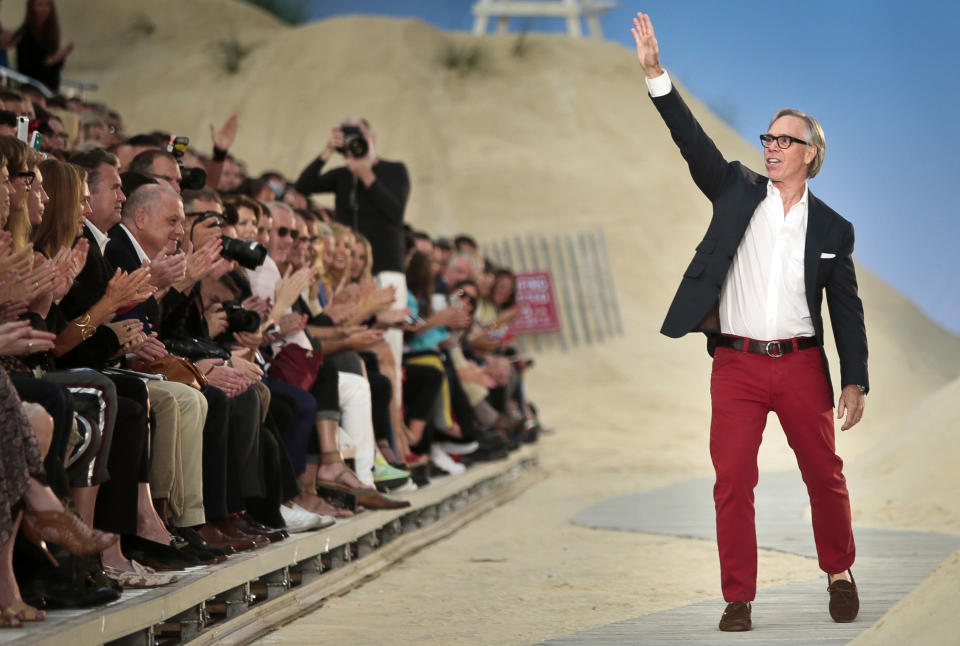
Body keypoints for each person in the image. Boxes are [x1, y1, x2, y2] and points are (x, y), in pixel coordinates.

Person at [631, 12, 868, 632]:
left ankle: (839, 572)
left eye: (783, 140)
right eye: (766, 138)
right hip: (735, 364)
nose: (770, 147)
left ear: (810, 155)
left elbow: (845, 307)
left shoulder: (834, 229)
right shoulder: (737, 189)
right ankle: (738, 597)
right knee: (732, 481)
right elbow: (692, 141)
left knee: (825, 474)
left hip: (801, 366)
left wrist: (855, 379)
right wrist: (657, 75)